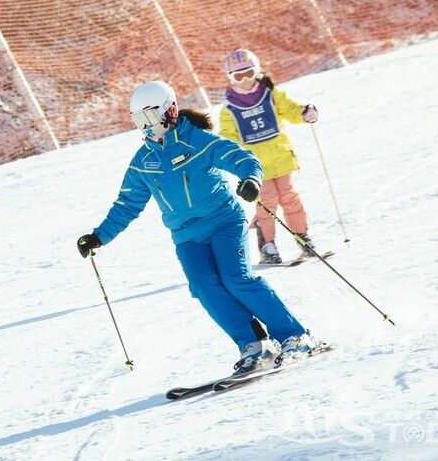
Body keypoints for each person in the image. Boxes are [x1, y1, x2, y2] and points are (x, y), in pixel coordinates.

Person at [76, 81, 319, 374]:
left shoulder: (199, 141)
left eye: (152, 116)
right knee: (203, 286)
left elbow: (241, 157)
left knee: (235, 277)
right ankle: (254, 343)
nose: (148, 125)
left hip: (224, 222)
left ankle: (295, 335)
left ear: (171, 110)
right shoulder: (144, 161)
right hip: (187, 237)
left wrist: (250, 179)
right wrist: (99, 236)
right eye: (140, 120)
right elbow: (127, 205)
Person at [219, 48, 320, 265]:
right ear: (231, 78)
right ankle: (268, 245)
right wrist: (228, 154)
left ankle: (303, 237)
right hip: (256, 167)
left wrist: (304, 112)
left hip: (281, 158)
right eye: (238, 76)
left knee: (290, 198)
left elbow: (290, 110)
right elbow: (228, 136)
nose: (245, 80)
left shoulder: (271, 95)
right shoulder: (229, 109)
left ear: (256, 71)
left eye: (249, 73)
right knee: (267, 203)